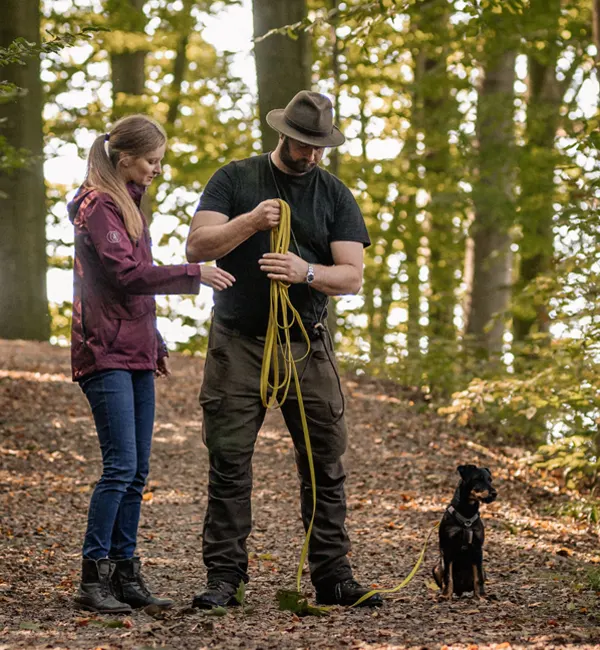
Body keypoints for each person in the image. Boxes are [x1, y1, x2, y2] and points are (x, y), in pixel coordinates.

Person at [186, 91, 381, 608]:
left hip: (306, 346)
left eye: (320, 146)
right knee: (229, 461)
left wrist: (306, 272)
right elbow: (197, 248)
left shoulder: (335, 195)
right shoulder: (234, 178)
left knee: (324, 462)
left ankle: (333, 577)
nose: (312, 155)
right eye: (303, 144)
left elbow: (353, 276)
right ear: (283, 134)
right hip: (237, 343)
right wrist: (251, 222)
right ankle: (225, 579)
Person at [68, 114, 235, 614]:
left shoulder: (128, 204)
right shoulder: (97, 206)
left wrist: (154, 339)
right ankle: (92, 578)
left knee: (138, 470)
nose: (157, 169)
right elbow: (126, 274)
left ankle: (125, 572)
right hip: (104, 351)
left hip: (134, 349)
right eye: (151, 160)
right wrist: (194, 272)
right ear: (125, 160)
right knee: (119, 468)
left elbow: (133, 286)